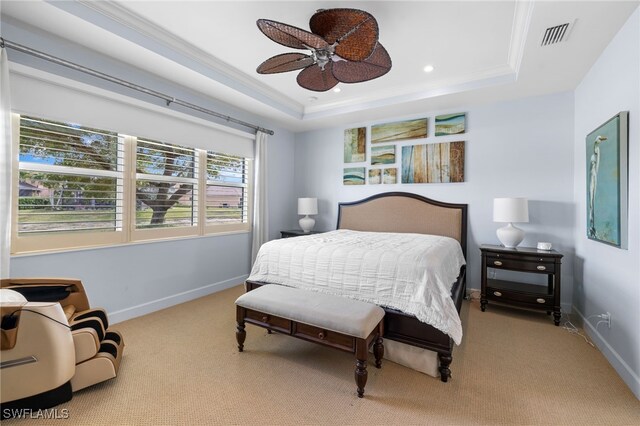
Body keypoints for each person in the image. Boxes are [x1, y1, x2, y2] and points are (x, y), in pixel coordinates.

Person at [588, 135, 607, 237]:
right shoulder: (593, 156)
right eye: (600, 139)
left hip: (594, 178)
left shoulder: (596, 152)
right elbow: (593, 169)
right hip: (592, 180)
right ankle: (592, 225)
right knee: (592, 200)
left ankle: (592, 226)